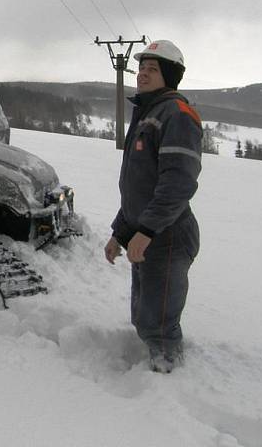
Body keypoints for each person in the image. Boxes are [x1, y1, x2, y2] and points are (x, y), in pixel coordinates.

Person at [104, 39, 202, 373]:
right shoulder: (148, 114)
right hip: (148, 232)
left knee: (158, 321)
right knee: (143, 315)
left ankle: (168, 377)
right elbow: (138, 187)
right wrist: (121, 232)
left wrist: (146, 231)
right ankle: (158, 362)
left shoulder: (177, 115)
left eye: (152, 69)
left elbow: (178, 184)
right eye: (141, 68)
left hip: (168, 236)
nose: (142, 75)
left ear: (170, 76)